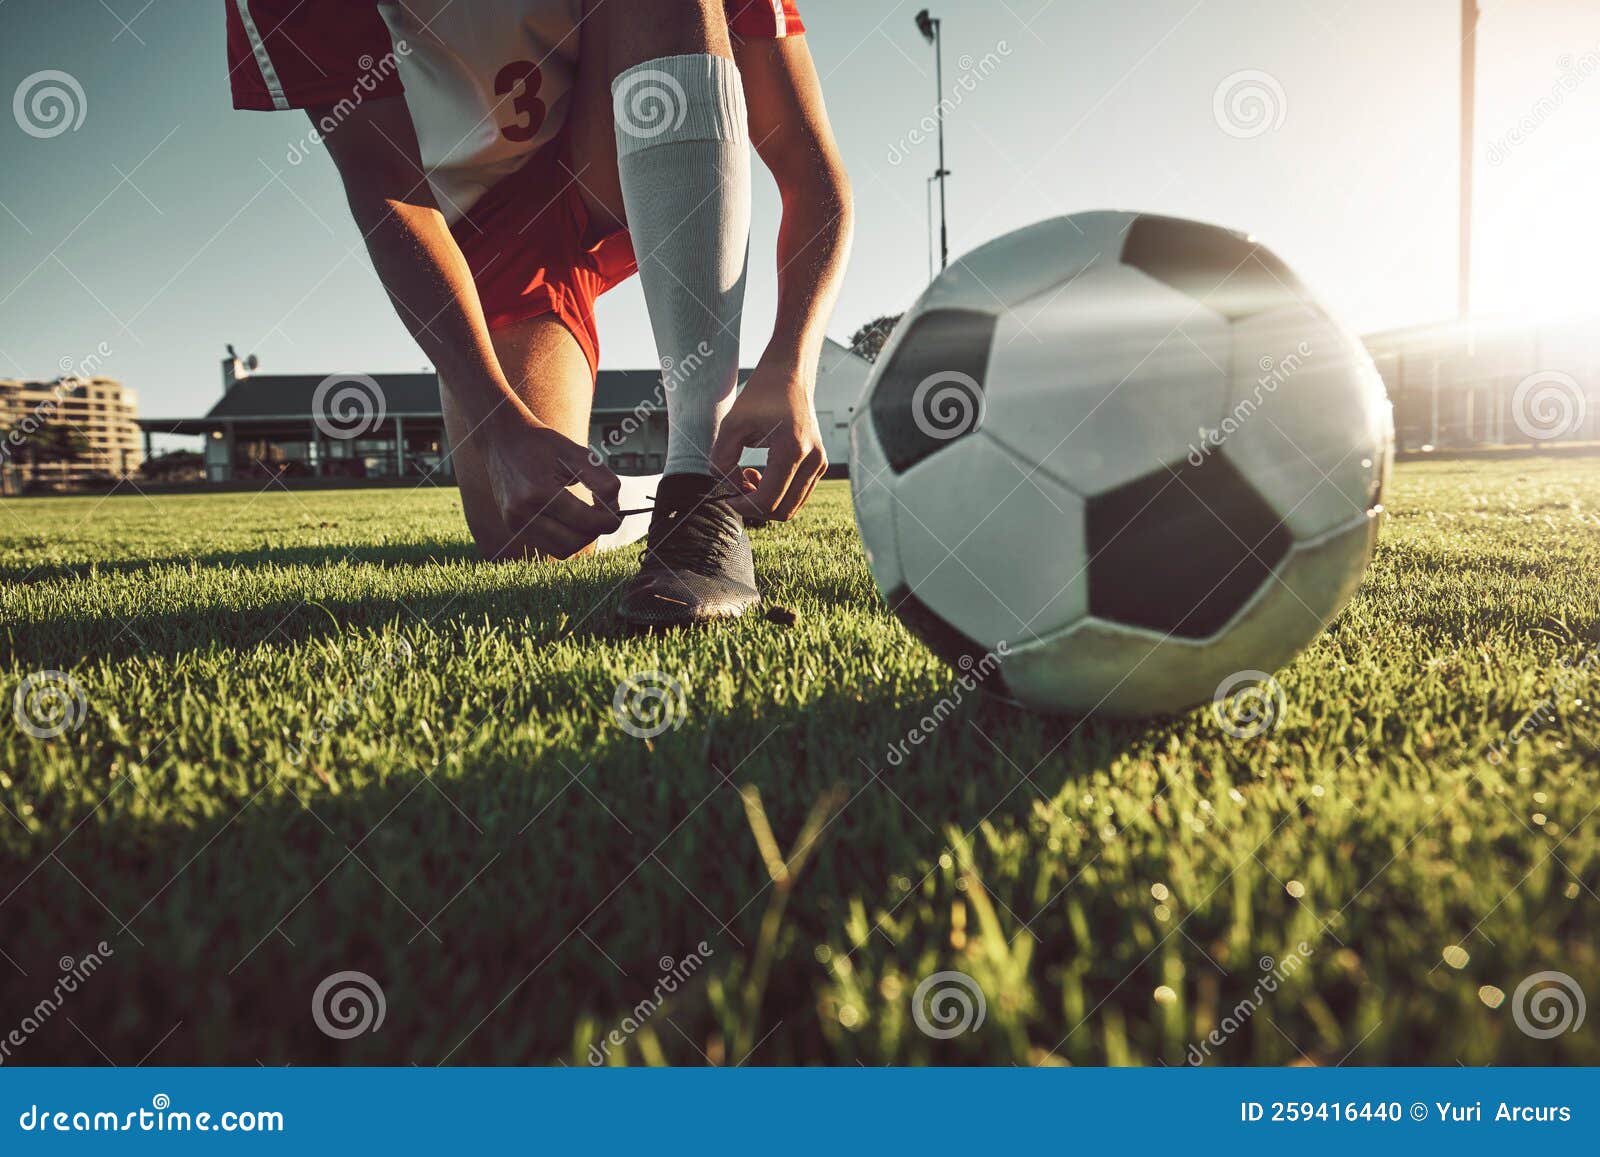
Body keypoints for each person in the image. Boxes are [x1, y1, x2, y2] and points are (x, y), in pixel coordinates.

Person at [225, 0, 852, 625]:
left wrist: (791, 362)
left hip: (606, 157)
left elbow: (810, 170)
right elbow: (384, 186)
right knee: (525, 533)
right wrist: (500, 423)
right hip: (482, 234)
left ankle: (697, 479)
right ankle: (654, 498)